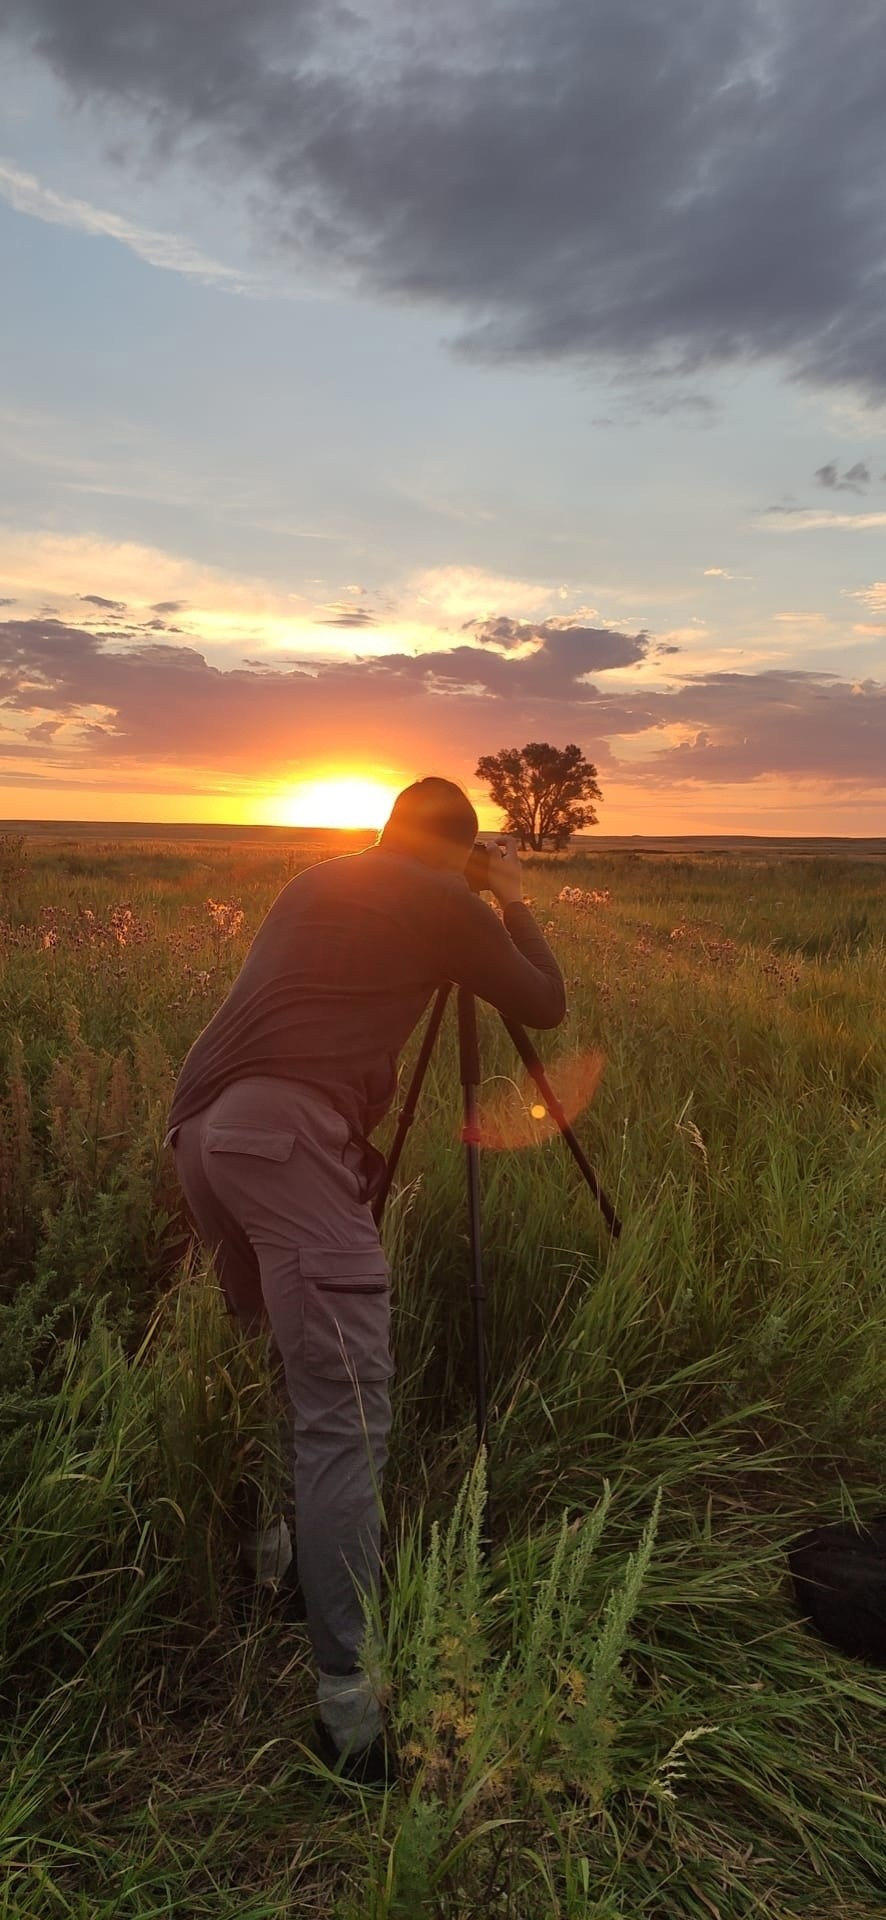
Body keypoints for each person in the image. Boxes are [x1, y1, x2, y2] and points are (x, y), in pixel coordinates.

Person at [165, 776, 566, 1783]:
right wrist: (508, 900)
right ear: (458, 852)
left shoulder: (322, 879)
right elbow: (543, 1003)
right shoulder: (438, 896)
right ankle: (349, 1709)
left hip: (204, 1135)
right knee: (345, 1412)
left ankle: (275, 1566)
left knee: (274, 1359)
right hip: (289, 1141)